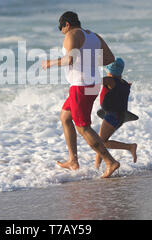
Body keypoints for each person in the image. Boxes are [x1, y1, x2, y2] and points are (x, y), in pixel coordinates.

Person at [41, 11, 120, 178]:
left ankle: (110, 161)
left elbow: (69, 60)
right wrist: (88, 59)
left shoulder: (71, 34)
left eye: (61, 28)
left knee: (83, 127)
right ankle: (73, 161)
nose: (62, 32)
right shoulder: (93, 36)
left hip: (81, 86)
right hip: (92, 84)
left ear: (67, 24)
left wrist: (50, 63)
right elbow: (109, 58)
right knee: (65, 117)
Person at [95, 58, 138, 169]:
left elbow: (95, 80)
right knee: (100, 141)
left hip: (112, 116)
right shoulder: (124, 83)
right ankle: (96, 167)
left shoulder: (110, 81)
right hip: (120, 116)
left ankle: (129, 147)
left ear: (110, 69)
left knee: (100, 142)